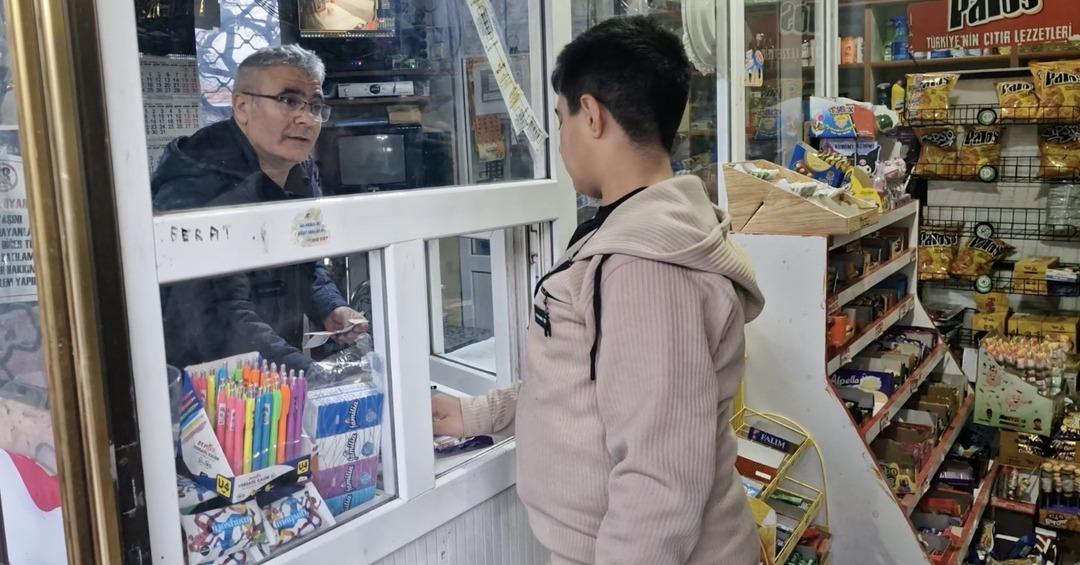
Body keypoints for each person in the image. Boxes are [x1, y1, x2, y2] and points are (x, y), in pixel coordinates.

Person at [432, 16, 766, 565]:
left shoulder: (645, 266)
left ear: (591, 116)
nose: (561, 142)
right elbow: (597, 384)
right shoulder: (631, 230)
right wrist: (479, 415)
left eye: (561, 119)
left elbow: (661, 475)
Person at [153, 45, 366, 371]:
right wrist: (313, 372)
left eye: (316, 105)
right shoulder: (202, 191)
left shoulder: (299, 169)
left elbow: (304, 259)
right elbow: (222, 318)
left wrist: (330, 307)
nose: (307, 118)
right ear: (241, 107)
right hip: (206, 385)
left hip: (271, 375)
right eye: (289, 101)